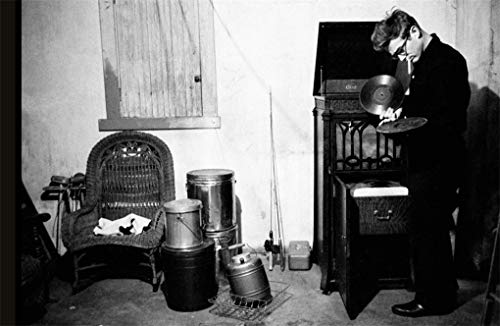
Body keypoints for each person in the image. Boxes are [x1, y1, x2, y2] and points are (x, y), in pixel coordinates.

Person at [370, 9, 470, 317]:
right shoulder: (418, 63)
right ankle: (442, 291)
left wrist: (405, 121)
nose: (401, 57)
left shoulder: (449, 61)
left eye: (401, 49)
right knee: (430, 229)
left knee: (429, 230)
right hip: (424, 158)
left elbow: (448, 117)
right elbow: (419, 105)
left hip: (441, 160)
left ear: (413, 31)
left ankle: (432, 300)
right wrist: (397, 114)